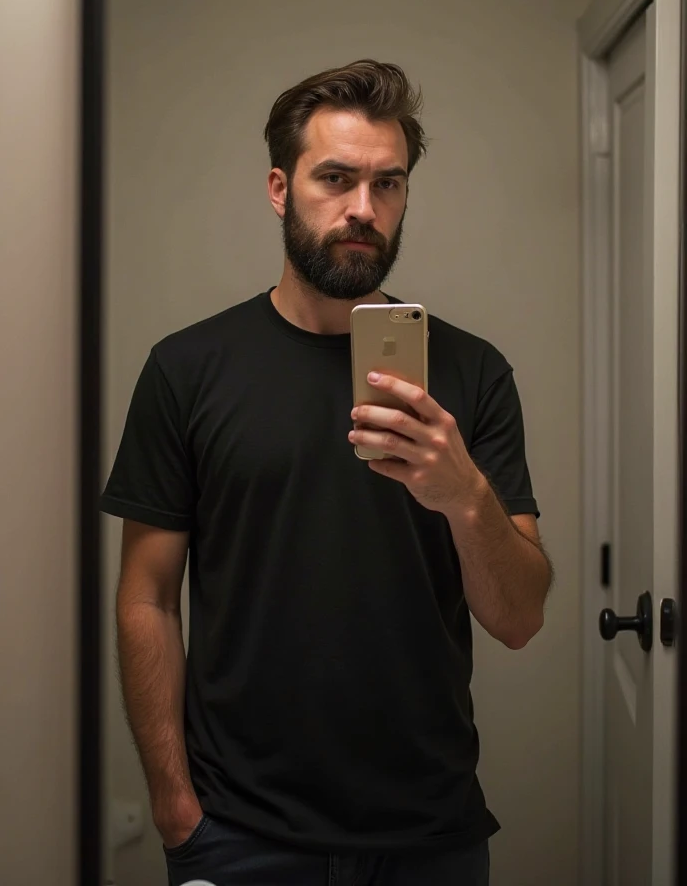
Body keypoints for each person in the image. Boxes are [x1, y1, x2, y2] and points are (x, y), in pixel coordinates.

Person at [101, 59, 552, 886]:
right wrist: (176, 809)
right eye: (336, 179)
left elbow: (519, 618)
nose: (362, 210)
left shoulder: (473, 373)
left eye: (388, 184)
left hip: (432, 835)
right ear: (280, 188)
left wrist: (464, 498)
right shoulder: (187, 369)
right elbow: (147, 597)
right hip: (238, 833)